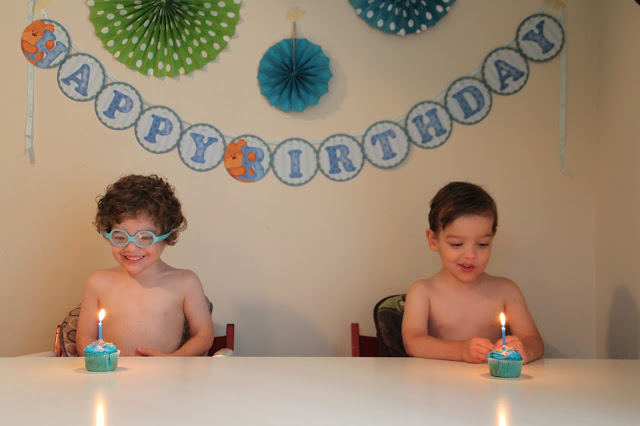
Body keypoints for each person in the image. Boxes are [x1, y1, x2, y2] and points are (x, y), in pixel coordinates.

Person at [402, 182, 543, 364]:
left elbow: (533, 340)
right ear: (433, 240)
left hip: (491, 380)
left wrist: (526, 351)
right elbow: (413, 342)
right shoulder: (422, 291)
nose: (470, 255)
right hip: (439, 381)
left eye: (482, 244)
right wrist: (461, 351)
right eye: (457, 244)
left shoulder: (507, 290)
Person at [76, 174, 214, 356]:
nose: (131, 247)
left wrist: (173, 360)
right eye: (120, 237)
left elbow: (203, 336)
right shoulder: (98, 282)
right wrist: (100, 361)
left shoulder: (185, 282)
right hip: (112, 372)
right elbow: (85, 336)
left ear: (167, 237)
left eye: (145, 238)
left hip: (166, 372)